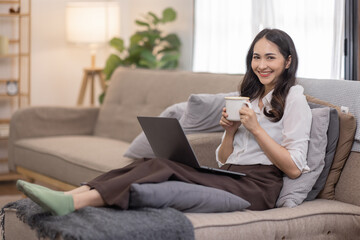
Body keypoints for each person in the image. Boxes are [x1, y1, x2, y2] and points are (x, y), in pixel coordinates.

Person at [16, 28, 312, 216]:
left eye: (270, 58)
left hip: (258, 188)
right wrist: (231, 133)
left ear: (287, 61)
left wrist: (256, 129)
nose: (261, 65)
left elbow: (294, 168)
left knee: (162, 166)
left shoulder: (294, 98)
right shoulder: (250, 97)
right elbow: (224, 159)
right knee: (150, 159)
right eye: (256, 57)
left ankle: (73, 203)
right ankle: (68, 195)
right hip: (233, 175)